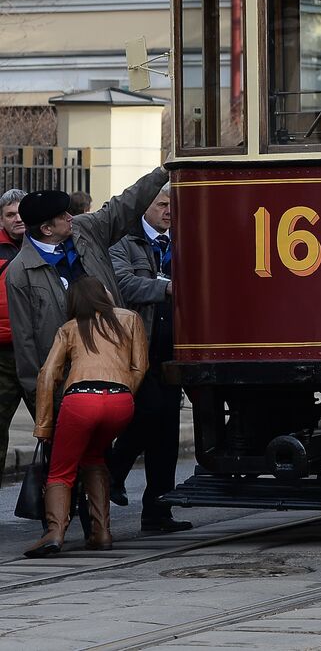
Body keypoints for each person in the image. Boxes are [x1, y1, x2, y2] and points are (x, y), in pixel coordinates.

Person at [6, 167, 168, 404]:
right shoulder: (21, 272)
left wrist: (162, 172)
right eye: (62, 216)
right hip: (68, 383)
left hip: (114, 368)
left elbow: (123, 206)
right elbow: (25, 342)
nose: (71, 217)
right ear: (46, 229)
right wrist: (41, 401)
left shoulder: (85, 229)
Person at [25, 277, 147, 557]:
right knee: (94, 458)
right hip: (120, 402)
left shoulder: (69, 328)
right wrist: (124, 394)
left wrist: (43, 425)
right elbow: (140, 367)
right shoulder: (130, 319)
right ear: (104, 294)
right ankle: (101, 533)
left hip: (81, 400)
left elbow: (47, 376)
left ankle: (55, 534)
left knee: (61, 470)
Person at [107, 186, 191, 532]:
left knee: (167, 431)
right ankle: (112, 471)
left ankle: (158, 510)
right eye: (161, 205)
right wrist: (168, 287)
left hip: (172, 347)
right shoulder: (123, 241)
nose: (168, 211)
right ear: (145, 207)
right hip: (137, 347)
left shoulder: (181, 239)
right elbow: (123, 283)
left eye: (173, 205)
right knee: (147, 413)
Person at [0, 187, 26, 481]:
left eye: (21, 213)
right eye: (10, 215)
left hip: (40, 352)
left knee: (55, 429)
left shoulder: (49, 244)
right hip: (3, 354)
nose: (17, 218)